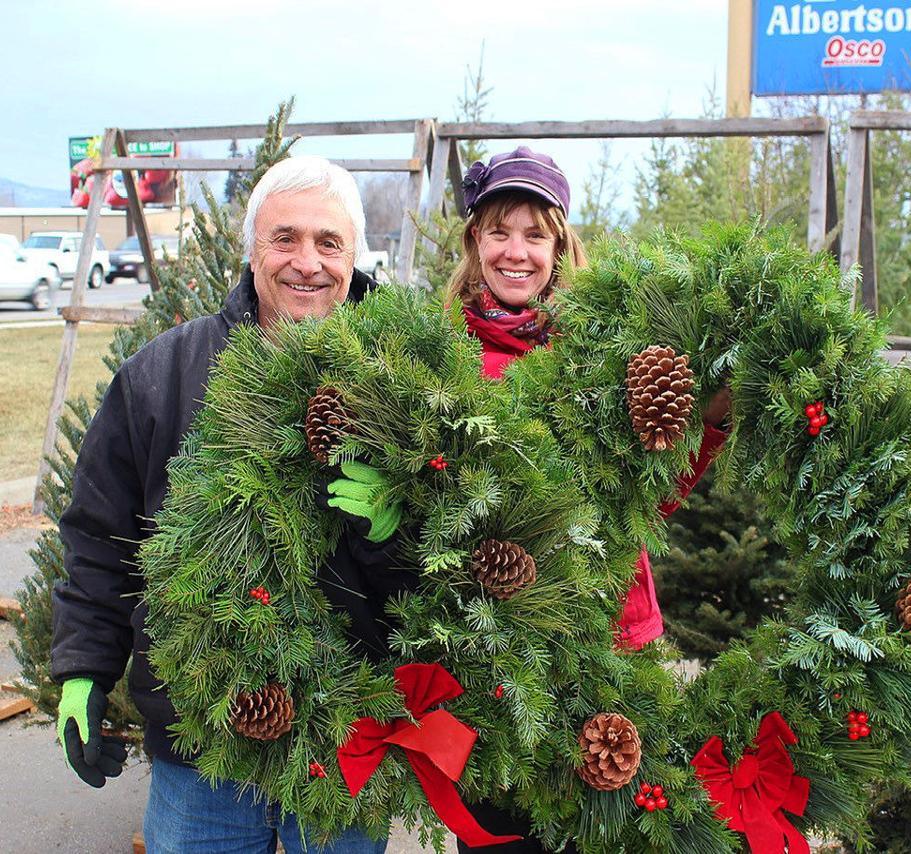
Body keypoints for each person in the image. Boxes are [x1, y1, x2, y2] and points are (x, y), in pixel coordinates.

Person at [50, 155, 398, 854]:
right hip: (200, 753)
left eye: (328, 242)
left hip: (350, 743)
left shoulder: (403, 385)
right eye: (285, 238)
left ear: (355, 255)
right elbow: (101, 536)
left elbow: (456, 568)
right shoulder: (165, 375)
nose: (307, 262)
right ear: (252, 249)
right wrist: (83, 671)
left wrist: (391, 533)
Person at [445, 147, 731, 852]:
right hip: (493, 653)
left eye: (534, 235)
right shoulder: (436, 361)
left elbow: (649, 500)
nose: (516, 252)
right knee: (499, 833)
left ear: (561, 246)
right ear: (473, 242)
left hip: (606, 636)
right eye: (499, 231)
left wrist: (710, 420)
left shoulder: (603, 356)